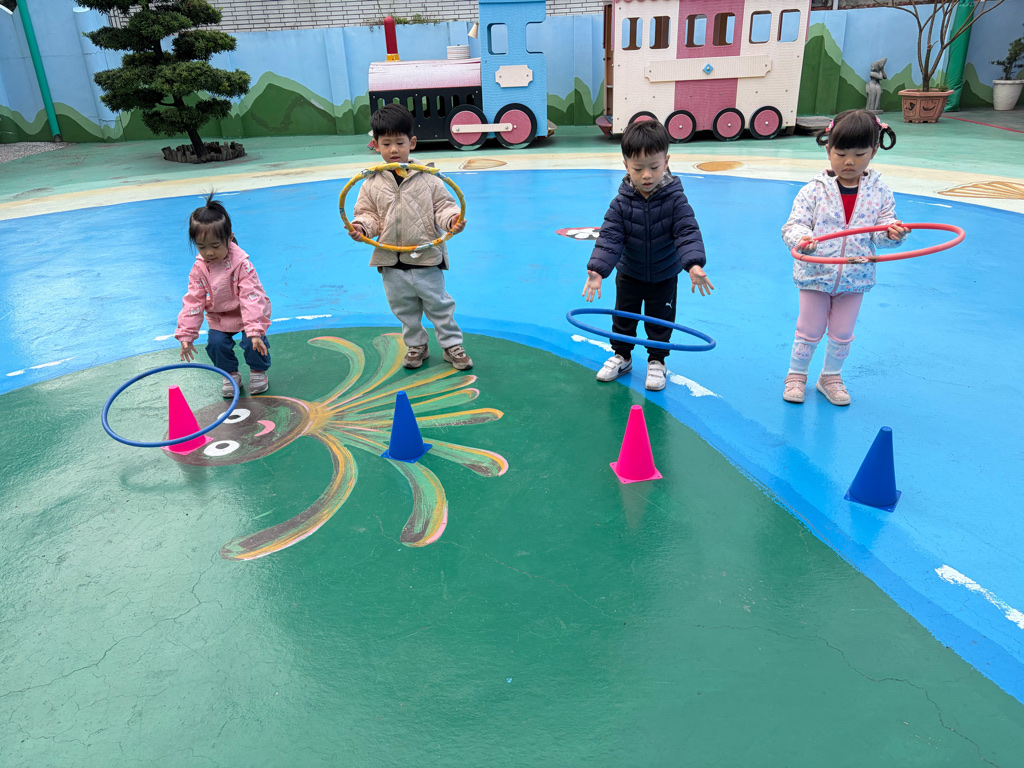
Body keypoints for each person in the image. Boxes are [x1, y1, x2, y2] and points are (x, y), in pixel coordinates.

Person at [781, 110, 909, 406]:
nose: (849, 161)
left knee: (842, 333)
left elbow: (880, 230)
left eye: (859, 154)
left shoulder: (879, 191)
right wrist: (803, 240)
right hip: (816, 274)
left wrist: (893, 234)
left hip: (855, 277)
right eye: (840, 154)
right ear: (828, 150)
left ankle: (830, 377)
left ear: (873, 151)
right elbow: (794, 225)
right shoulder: (813, 191)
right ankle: (796, 375)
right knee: (809, 330)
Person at [583, 120, 713, 391]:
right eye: (638, 168)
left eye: (654, 167)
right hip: (629, 273)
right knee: (623, 317)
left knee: (660, 321)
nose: (646, 175)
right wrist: (598, 270)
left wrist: (693, 264)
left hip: (664, 274)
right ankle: (622, 356)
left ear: (666, 162)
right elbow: (610, 238)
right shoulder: (621, 203)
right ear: (625, 166)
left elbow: (686, 231)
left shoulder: (675, 200)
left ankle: (657, 361)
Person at [349, 104, 471, 370]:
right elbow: (368, 214)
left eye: (400, 142)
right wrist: (361, 228)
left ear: (412, 143)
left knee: (439, 305)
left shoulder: (429, 178)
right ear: (375, 145)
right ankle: (417, 345)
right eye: (386, 144)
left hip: (426, 256)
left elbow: (443, 206)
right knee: (404, 309)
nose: (393, 149)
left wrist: (452, 220)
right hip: (391, 261)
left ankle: (452, 345)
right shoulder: (371, 182)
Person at [175, 195, 272, 398]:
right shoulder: (199, 268)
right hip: (220, 315)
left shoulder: (242, 264)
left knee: (253, 341)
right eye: (202, 247)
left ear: (229, 237)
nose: (209, 252)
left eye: (215, 245)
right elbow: (193, 301)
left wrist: (254, 329)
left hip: (247, 313)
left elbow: (251, 297)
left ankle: (258, 370)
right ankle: (230, 374)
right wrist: (187, 334)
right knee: (216, 343)